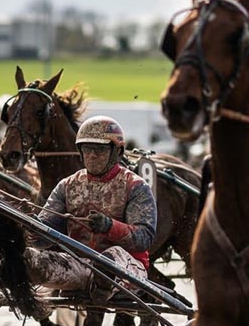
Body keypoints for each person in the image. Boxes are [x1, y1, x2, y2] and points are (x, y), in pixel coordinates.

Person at [28, 115, 157, 295]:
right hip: (78, 265)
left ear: (117, 152)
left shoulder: (136, 186)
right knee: (28, 259)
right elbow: (44, 236)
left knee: (110, 258)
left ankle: (102, 285)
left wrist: (109, 226)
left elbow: (144, 238)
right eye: (87, 149)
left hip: (127, 267)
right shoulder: (67, 185)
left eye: (100, 150)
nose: (92, 156)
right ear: (80, 151)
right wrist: (31, 229)